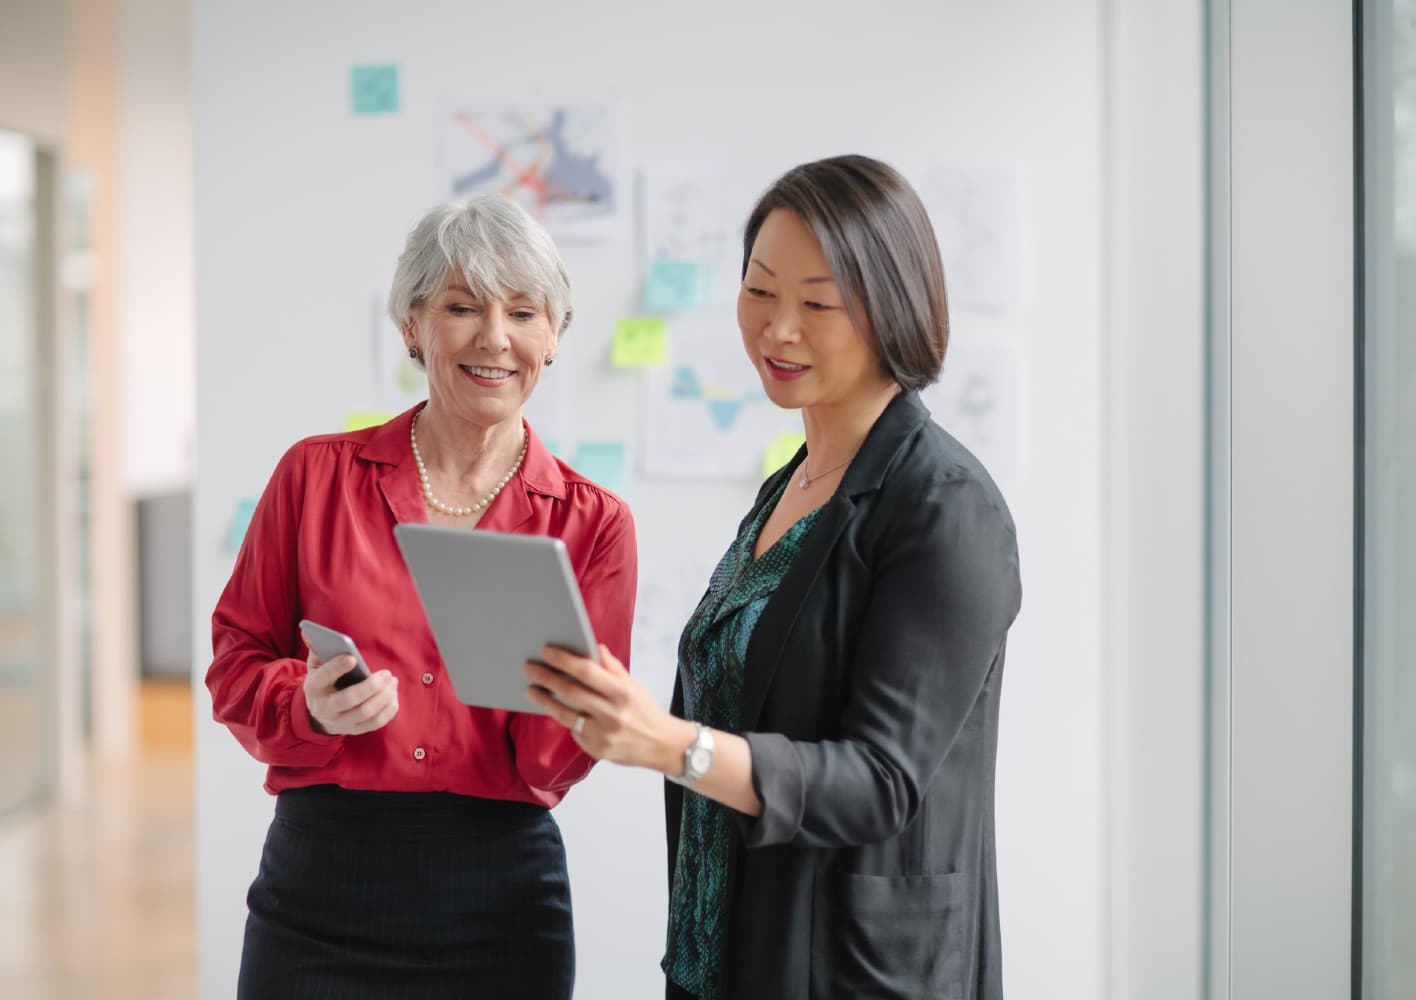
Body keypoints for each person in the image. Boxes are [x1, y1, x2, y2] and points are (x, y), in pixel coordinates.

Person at [523, 155, 1021, 999]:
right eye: (759, 291)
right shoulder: (790, 485)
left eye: (818, 303)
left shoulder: (946, 506)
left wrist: (669, 744)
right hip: (726, 949)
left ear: (891, 308)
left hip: (855, 970)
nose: (777, 328)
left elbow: (880, 780)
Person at [206, 194, 637, 1000]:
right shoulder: (314, 476)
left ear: (555, 334)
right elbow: (234, 667)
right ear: (411, 325)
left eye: (523, 311)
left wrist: (570, 704)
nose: (494, 338)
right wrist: (306, 704)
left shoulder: (594, 524)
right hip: (319, 887)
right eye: (461, 306)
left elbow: (565, 757)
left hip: (502, 900)